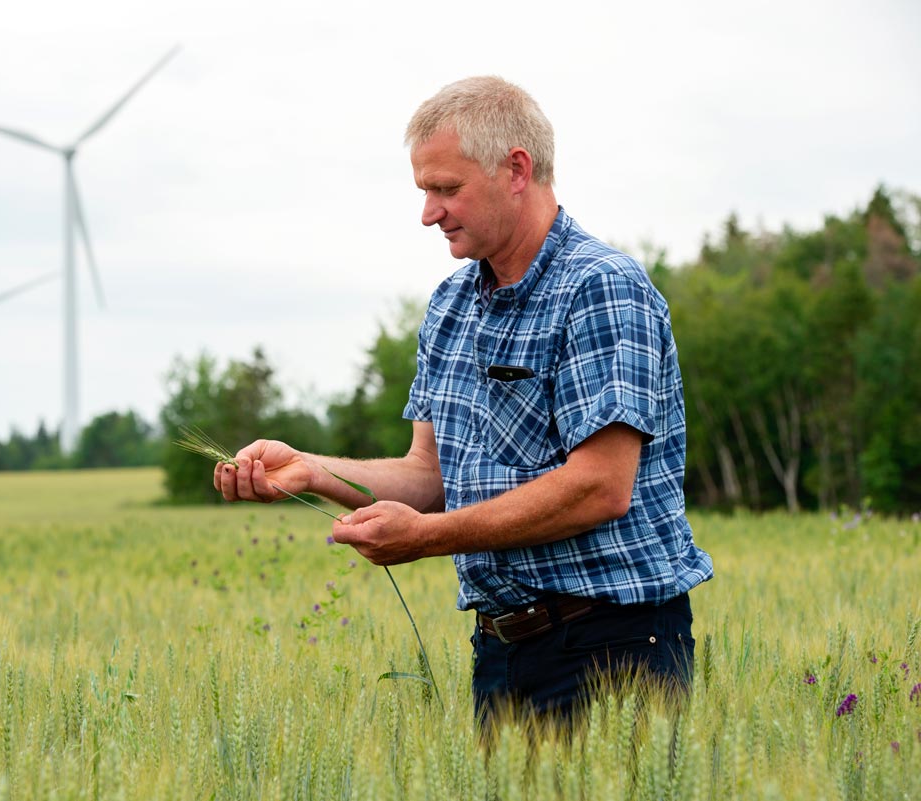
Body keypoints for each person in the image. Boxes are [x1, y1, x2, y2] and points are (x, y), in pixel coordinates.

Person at [213, 75, 713, 731]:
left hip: (613, 645)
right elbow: (430, 475)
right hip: (501, 650)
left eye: (446, 189)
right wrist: (311, 470)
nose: (429, 212)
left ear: (516, 169)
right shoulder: (450, 307)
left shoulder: (601, 288)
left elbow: (600, 487)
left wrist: (426, 538)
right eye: (425, 190)